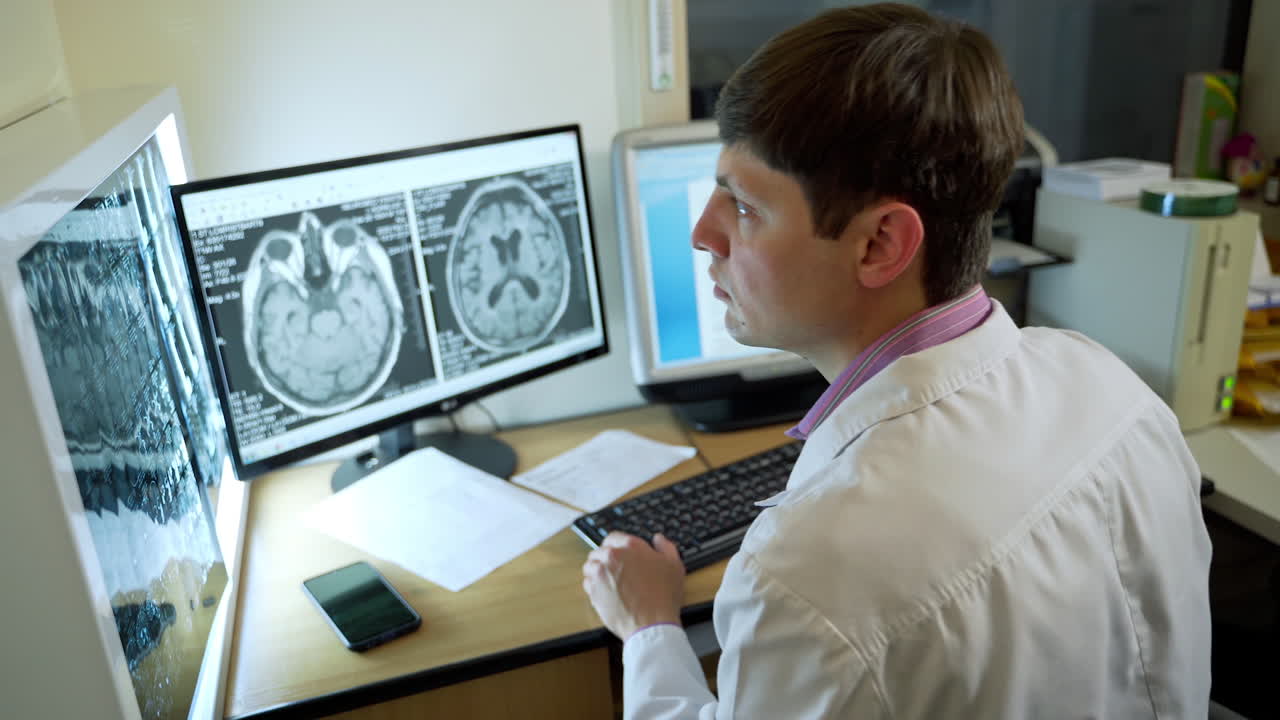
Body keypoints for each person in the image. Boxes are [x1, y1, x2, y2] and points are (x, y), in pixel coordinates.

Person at [581, 3, 1212, 718]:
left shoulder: (805, 574)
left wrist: (651, 633)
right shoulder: (1110, 386)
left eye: (746, 207)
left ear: (880, 244)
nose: (703, 234)